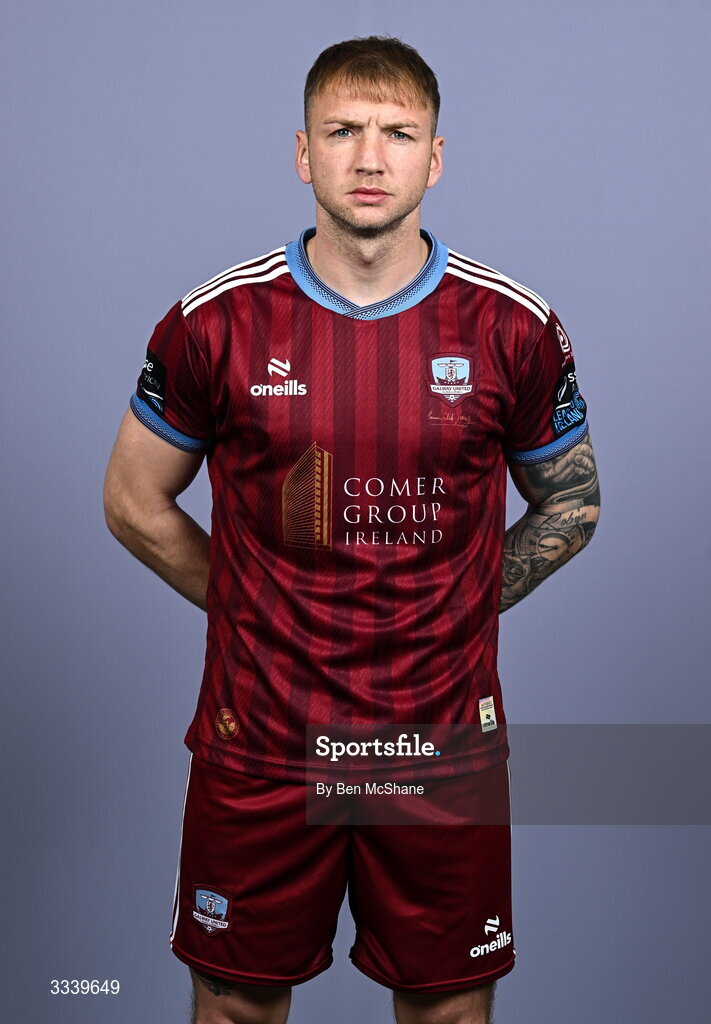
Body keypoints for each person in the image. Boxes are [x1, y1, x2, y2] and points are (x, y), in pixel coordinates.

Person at [103, 35, 600, 1024]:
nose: (370, 158)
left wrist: (454, 610)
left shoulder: (510, 326)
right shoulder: (215, 322)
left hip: (437, 749)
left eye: (397, 134)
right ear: (303, 152)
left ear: (435, 157)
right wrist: (257, 608)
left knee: (448, 1010)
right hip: (261, 743)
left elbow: (572, 504)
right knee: (235, 1008)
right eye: (342, 131)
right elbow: (133, 500)